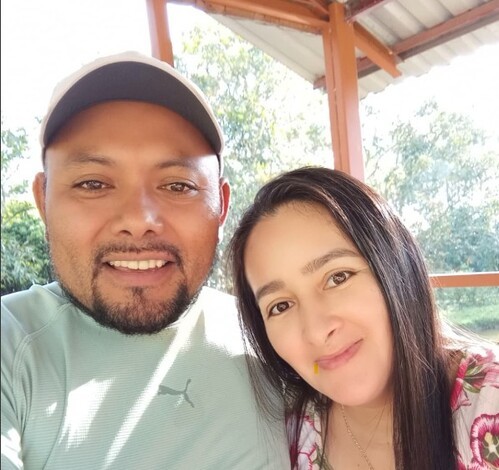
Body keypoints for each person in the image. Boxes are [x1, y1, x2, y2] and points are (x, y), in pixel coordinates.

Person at [1, 51, 290, 469]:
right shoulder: (12, 344)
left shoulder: (277, 336)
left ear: (222, 207)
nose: (139, 221)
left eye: (178, 185)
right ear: (43, 201)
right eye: (93, 183)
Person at [228, 166, 499, 470]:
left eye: (338, 277)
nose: (316, 331)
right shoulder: (288, 436)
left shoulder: (489, 400)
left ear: (397, 265)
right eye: (280, 306)